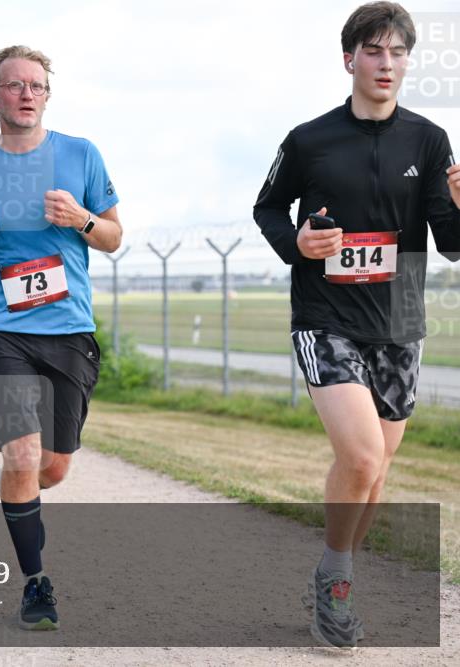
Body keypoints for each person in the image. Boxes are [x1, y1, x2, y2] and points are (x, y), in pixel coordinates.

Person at [253, 2, 460, 649]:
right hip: (326, 316)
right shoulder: (309, 139)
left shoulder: (428, 141)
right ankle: (337, 582)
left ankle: (331, 568)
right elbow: (266, 207)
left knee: (375, 471)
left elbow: (450, 243)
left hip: (399, 318)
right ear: (351, 59)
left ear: (407, 63)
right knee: (362, 454)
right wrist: (298, 244)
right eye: (374, 51)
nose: (386, 63)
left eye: (398, 52)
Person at [0, 45, 121, 631]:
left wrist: (81, 220)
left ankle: (15, 486)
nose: (27, 94)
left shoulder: (80, 154)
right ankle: (36, 582)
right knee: (22, 453)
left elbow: (113, 237)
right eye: (14, 86)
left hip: (68, 328)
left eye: (36, 85)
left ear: (47, 93)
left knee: (53, 466)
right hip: (2, 329)